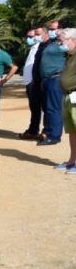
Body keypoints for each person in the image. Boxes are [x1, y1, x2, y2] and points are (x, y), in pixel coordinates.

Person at [38, 20, 66, 146]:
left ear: (61, 28)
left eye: (54, 28)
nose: (51, 31)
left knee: (55, 109)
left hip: (56, 78)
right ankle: (48, 133)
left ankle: (55, 136)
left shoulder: (65, 43)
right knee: (48, 109)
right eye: (50, 28)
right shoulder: (51, 43)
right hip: (46, 80)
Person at [54, 28, 76, 172]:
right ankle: (72, 161)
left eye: (61, 41)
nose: (58, 44)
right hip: (67, 96)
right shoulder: (68, 55)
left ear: (72, 40)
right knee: (72, 131)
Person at [19, 26, 46, 140]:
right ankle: (33, 130)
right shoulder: (34, 47)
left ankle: (44, 132)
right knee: (34, 108)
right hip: (30, 82)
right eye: (28, 36)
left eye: (31, 36)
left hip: (35, 82)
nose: (29, 38)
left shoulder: (41, 47)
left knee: (41, 108)